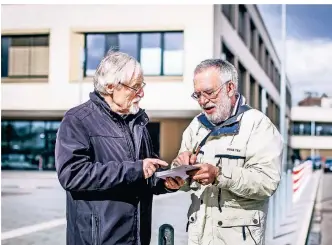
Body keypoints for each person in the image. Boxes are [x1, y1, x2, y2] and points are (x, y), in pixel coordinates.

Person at [55, 50, 184, 245]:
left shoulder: (137, 122)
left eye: (142, 86)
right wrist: (135, 169)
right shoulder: (77, 120)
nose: (141, 93)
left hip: (137, 238)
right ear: (109, 86)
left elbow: (143, 175)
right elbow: (72, 174)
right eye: (135, 87)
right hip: (97, 240)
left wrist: (164, 183)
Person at [173, 59, 283, 245]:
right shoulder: (196, 126)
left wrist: (219, 174)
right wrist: (178, 171)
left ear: (230, 88)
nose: (202, 101)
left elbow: (267, 182)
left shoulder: (258, 125)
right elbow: (181, 177)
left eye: (208, 93)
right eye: (197, 95)